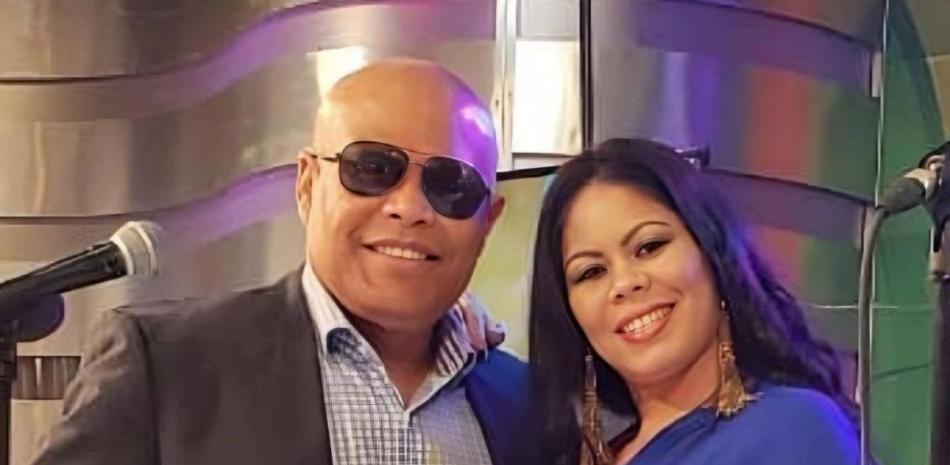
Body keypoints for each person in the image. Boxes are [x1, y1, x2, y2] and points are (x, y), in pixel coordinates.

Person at [30, 59, 531, 465]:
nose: (409, 207)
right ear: (308, 184)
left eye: (451, 186)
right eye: (373, 168)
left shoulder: (528, 403)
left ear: (487, 222)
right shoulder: (167, 366)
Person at [529, 138, 860, 465]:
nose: (625, 283)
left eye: (650, 246)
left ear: (712, 252)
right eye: (591, 272)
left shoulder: (790, 430)